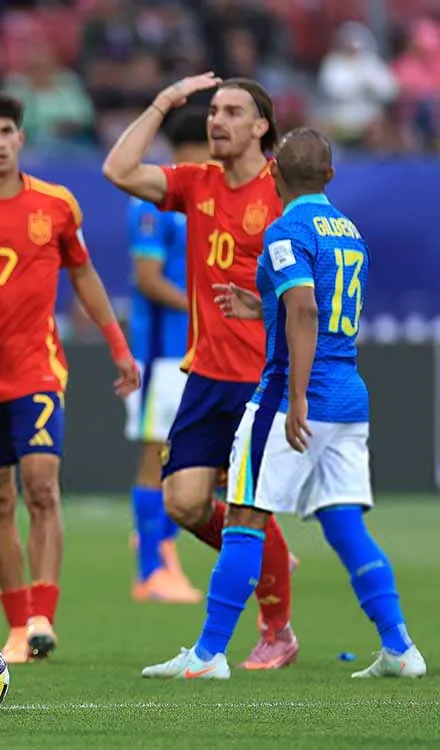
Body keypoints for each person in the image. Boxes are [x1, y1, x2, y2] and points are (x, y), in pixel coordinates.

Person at [141, 127, 426, 680]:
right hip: (348, 396)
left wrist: (293, 398)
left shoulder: (283, 229)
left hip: (291, 398)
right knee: (345, 523)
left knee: (244, 517)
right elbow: (312, 305)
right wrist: (260, 307)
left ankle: (207, 655)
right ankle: (399, 648)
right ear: (330, 176)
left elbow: (304, 310)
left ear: (273, 174)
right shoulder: (349, 231)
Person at [0, 89, 140, 665]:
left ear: (21, 137)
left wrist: (119, 347)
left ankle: (43, 616)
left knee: (41, 486)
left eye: (5, 133)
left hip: (37, 370)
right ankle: (17, 626)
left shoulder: (57, 204)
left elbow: (86, 278)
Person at [102, 74, 299, 670]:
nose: (217, 121)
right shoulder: (196, 184)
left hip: (265, 379)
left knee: (245, 509)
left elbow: (316, 289)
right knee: (185, 504)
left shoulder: (285, 192)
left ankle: (271, 632)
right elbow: (118, 169)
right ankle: (265, 558)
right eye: (213, 111)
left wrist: (264, 307)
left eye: (233, 112)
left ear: (261, 127)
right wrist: (162, 102)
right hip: (207, 376)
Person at [125, 107, 211, 605]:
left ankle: (164, 557)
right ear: (192, 148)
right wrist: (206, 307)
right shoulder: (154, 199)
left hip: (197, 352)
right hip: (162, 352)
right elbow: (147, 279)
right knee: (155, 458)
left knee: (192, 461)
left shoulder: (199, 195)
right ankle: (150, 568)